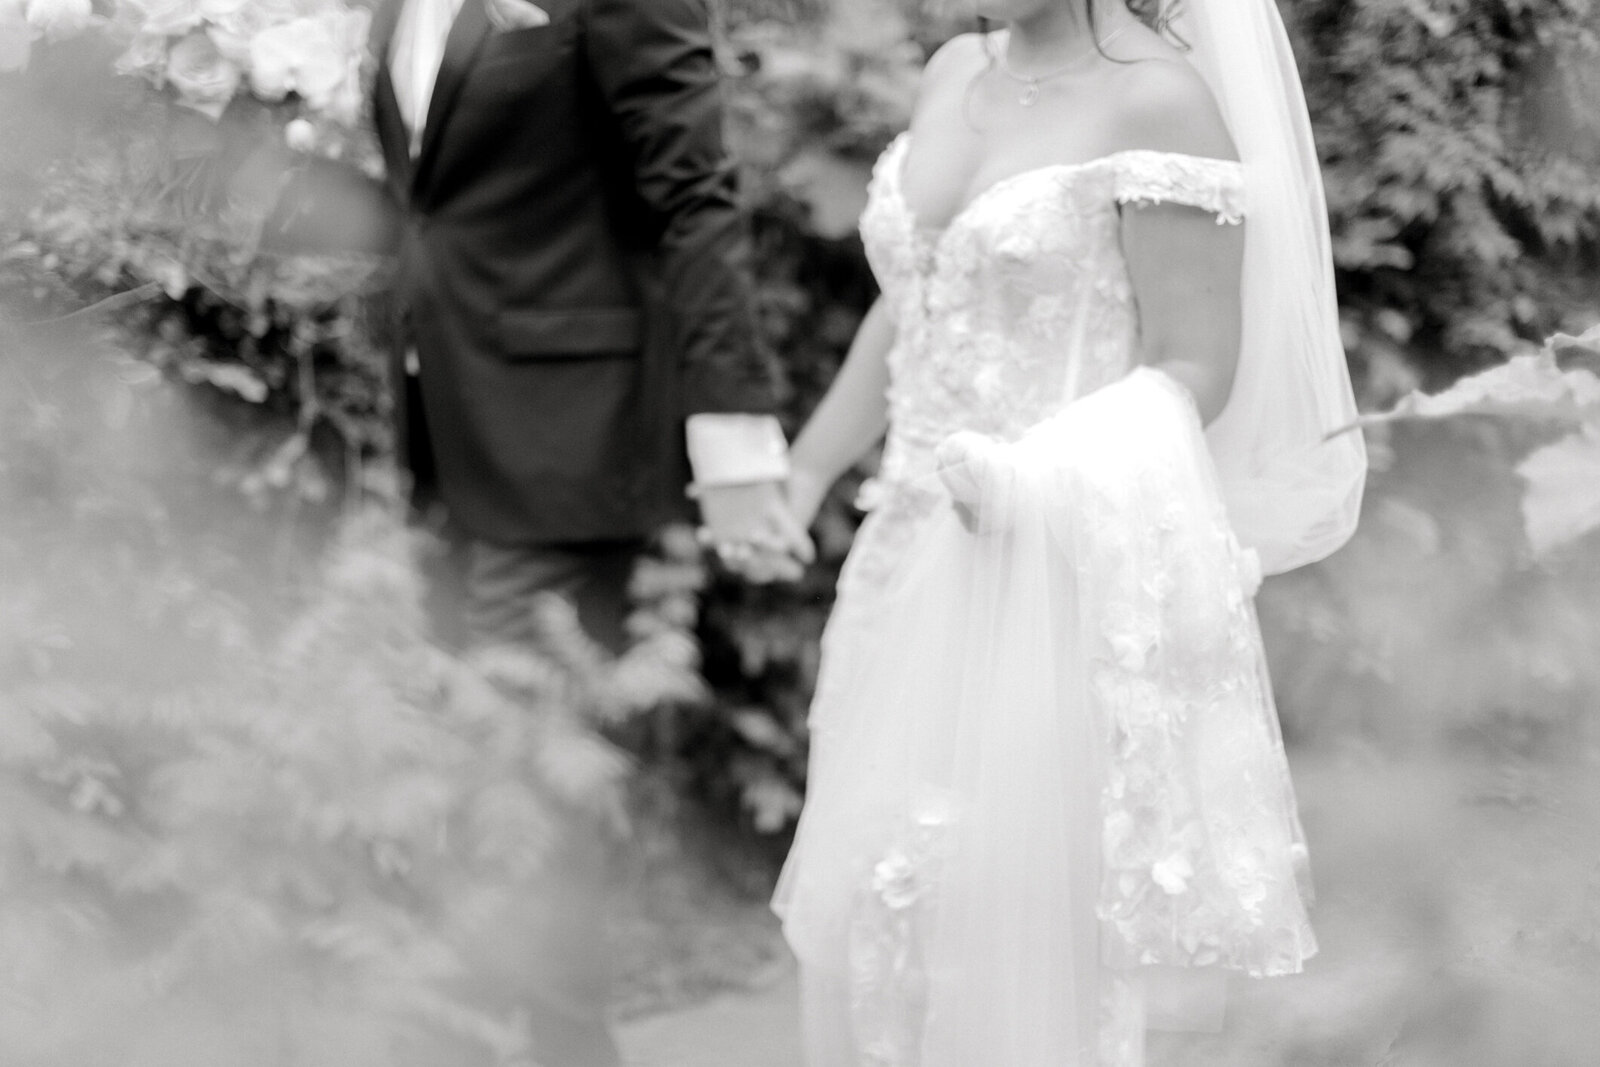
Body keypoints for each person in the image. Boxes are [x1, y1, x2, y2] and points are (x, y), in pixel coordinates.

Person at [754, 0, 1368, 1063]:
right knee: (873, 895)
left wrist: (1038, 480)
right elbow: (917, 297)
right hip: (897, 560)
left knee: (1005, 914)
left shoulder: (1158, 100)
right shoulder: (956, 66)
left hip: (1047, 562)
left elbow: (1193, 363)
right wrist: (806, 471)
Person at [263, 0, 810, 1063]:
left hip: (570, 427)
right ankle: (504, 1031)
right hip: (443, 423)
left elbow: (693, 193)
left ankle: (566, 1042)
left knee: (529, 758)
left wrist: (734, 436)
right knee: (478, 752)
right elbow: (435, 192)